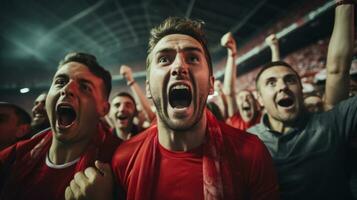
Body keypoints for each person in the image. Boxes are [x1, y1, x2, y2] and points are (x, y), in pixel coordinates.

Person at [67, 17, 280, 200]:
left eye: (193, 58)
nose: (179, 66)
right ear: (149, 88)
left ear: (211, 84)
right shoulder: (123, 159)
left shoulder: (251, 153)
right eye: (164, 59)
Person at [248, 3, 355, 199]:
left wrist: (344, 4)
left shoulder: (332, 123)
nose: (283, 86)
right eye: (271, 83)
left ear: (301, 90)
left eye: (290, 80)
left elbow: (338, 69)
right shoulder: (247, 141)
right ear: (260, 100)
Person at [0, 52, 121, 200]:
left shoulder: (121, 164)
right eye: (60, 82)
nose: (67, 89)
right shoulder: (14, 157)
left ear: (103, 109)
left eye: (84, 87)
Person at [221, 32, 261, 130]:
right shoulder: (235, 120)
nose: (245, 100)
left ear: (256, 104)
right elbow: (229, 92)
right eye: (241, 98)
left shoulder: (263, 119)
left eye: (248, 97)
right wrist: (231, 54)